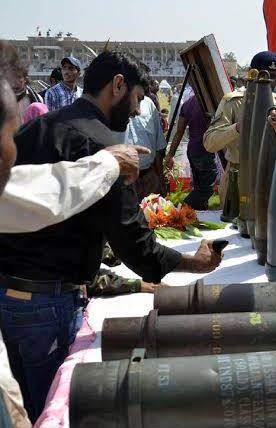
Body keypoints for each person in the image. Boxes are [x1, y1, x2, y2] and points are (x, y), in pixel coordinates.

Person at [0, 50, 224, 422]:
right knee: (51, 413)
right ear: (117, 86)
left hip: (7, 298)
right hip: (48, 305)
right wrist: (191, 262)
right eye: (137, 98)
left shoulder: (37, 128)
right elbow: (134, 245)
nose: (138, 111)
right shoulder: (105, 147)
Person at [203, 51, 276, 211]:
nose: (269, 81)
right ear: (252, 74)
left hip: (272, 178)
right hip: (238, 178)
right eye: (264, 75)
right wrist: (237, 128)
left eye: (274, 75)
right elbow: (209, 142)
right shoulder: (233, 102)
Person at [115, 70, 168, 200]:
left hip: (148, 177)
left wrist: (160, 178)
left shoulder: (149, 104)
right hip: (123, 180)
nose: (137, 111)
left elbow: (158, 145)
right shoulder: (113, 105)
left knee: (153, 216)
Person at [166, 95, 217, 210]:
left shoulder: (188, 103)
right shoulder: (210, 100)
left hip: (193, 150)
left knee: (199, 188)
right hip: (204, 151)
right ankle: (180, 210)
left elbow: (179, 132)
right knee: (206, 190)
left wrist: (170, 154)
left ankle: (197, 214)